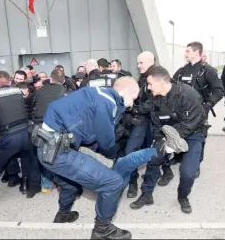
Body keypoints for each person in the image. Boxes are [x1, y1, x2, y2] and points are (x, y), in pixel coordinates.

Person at [33, 76, 185, 239]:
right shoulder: (108, 101)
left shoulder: (98, 94)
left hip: (48, 149)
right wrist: (111, 154)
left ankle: (63, 214)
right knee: (113, 183)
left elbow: (87, 130)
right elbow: (106, 141)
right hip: (60, 152)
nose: (132, 104)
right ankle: (102, 230)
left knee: (71, 183)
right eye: (134, 98)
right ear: (127, 91)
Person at [130, 66, 207, 214]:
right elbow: (157, 124)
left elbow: (191, 123)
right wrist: (161, 142)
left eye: (151, 84)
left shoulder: (188, 94)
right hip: (167, 134)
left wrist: (172, 142)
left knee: (188, 173)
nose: (148, 87)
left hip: (192, 135)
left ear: (162, 81)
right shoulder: (155, 99)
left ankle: (183, 197)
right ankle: (146, 195)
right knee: (153, 159)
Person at [163, 41, 224, 181]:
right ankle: (179, 156)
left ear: (196, 52)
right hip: (182, 110)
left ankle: (196, 164)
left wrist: (208, 104)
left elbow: (219, 90)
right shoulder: (183, 70)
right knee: (179, 132)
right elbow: (171, 84)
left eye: (188, 51)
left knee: (198, 137)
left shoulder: (207, 70)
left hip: (200, 111)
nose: (185, 54)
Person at [0, 75, 41, 204]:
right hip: (26, 132)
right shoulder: (18, 92)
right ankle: (25, 184)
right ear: (9, 82)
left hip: (8, 135)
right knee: (26, 158)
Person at [124, 52, 156, 198]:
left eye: (141, 62)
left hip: (155, 121)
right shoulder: (142, 78)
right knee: (130, 151)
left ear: (151, 61)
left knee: (155, 152)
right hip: (142, 120)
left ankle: (162, 173)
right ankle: (132, 183)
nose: (138, 66)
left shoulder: (157, 77)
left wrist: (133, 108)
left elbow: (152, 103)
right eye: (138, 63)